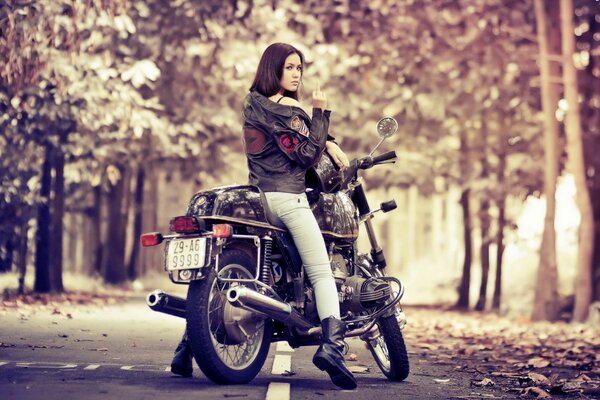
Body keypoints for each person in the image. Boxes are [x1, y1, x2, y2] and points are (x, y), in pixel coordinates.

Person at [171, 42, 356, 390]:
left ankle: (186, 348)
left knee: (229, 272)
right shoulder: (291, 107)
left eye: (300, 67)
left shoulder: (252, 102)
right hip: (289, 199)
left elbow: (288, 136)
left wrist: (327, 139)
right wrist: (320, 113)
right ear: (274, 69)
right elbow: (305, 154)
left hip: (259, 198)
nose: (297, 73)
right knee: (320, 271)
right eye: (289, 67)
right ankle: (332, 347)